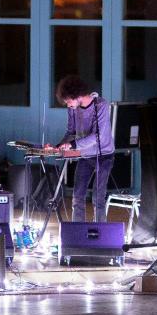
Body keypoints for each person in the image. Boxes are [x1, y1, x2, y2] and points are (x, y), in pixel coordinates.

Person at [47, 75, 114, 222]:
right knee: (77, 196)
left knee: (98, 197)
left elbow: (99, 136)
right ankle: (78, 232)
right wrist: (59, 146)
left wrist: (73, 145)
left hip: (104, 156)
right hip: (85, 155)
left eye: (68, 101)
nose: (68, 105)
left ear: (76, 95)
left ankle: (100, 231)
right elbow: (71, 132)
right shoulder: (73, 109)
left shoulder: (101, 105)